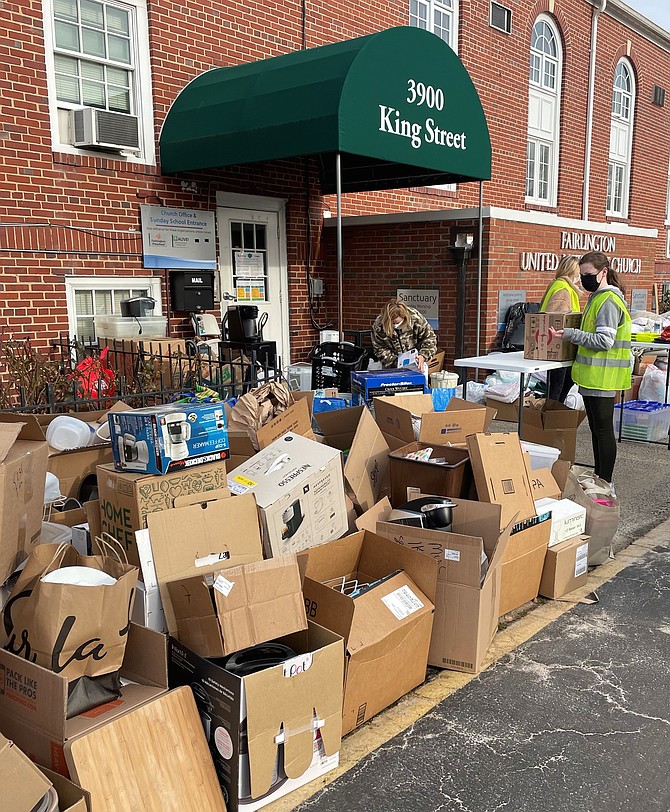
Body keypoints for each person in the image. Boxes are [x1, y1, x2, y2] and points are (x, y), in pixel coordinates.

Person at [549, 251, 632, 495]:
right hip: (594, 376)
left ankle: (606, 482)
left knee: (603, 429)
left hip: (603, 377)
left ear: (603, 273)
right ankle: (601, 477)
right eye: (582, 275)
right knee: (597, 428)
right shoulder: (597, 298)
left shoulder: (607, 300)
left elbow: (604, 340)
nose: (584, 280)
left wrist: (570, 334)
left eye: (588, 275)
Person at [539, 255, 582, 403]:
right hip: (560, 344)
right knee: (558, 385)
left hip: (559, 343)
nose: (580, 275)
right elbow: (556, 318)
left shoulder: (559, 285)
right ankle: (552, 415)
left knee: (560, 383)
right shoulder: (564, 289)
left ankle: (554, 413)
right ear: (573, 271)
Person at [371, 299, 437, 369]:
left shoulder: (415, 318)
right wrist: (396, 363)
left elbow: (430, 339)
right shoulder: (379, 325)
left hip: (417, 362)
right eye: (393, 323)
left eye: (398, 323)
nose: (396, 325)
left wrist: (423, 355)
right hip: (392, 366)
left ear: (404, 317)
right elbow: (379, 349)